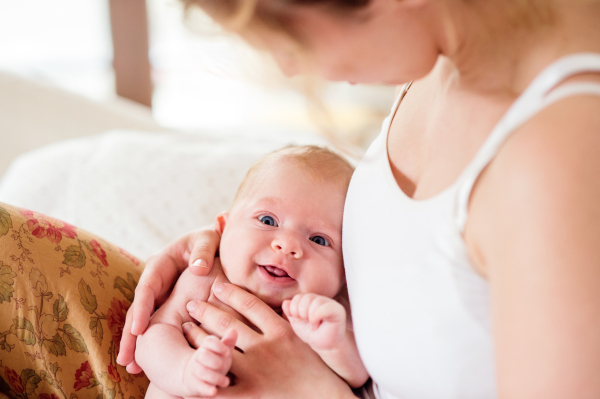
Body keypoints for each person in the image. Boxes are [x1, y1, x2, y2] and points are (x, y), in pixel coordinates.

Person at [116, 0, 600, 398]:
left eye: (293, 36)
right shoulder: (436, 51)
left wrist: (309, 390)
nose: (289, 65)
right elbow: (423, 246)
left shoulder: (557, 155)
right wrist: (231, 242)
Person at [136, 146, 369, 398]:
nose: (287, 245)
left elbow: (357, 375)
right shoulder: (205, 277)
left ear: (345, 272)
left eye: (319, 239)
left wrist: (334, 344)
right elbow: (153, 337)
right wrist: (185, 369)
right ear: (223, 229)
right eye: (267, 221)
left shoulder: (327, 313)